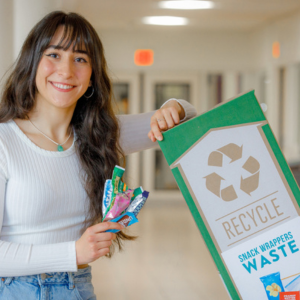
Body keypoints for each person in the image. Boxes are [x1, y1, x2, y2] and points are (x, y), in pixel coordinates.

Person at [0, 11, 197, 300]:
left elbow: (190, 117)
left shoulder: (98, 136)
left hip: (78, 288)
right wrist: (73, 252)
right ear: (32, 63)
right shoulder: (5, 142)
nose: (66, 71)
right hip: (16, 291)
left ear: (92, 77)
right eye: (54, 54)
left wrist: (173, 107)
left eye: (80, 58)